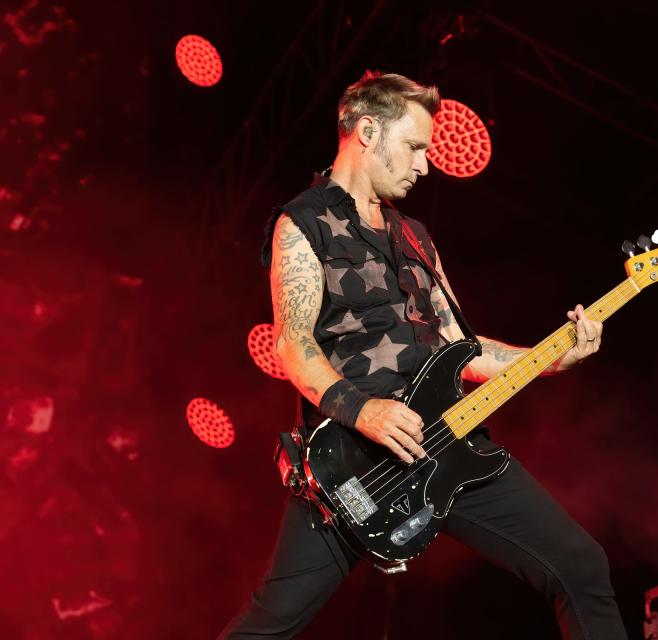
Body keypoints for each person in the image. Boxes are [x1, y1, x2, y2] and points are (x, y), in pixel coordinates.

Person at [219, 71, 627, 639]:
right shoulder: (303, 223)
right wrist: (366, 412)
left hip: (447, 443)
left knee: (582, 566)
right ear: (366, 131)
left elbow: (464, 350)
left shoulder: (414, 235)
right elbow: (294, 344)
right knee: (272, 622)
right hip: (354, 465)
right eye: (414, 146)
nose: (425, 165)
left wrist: (555, 355)